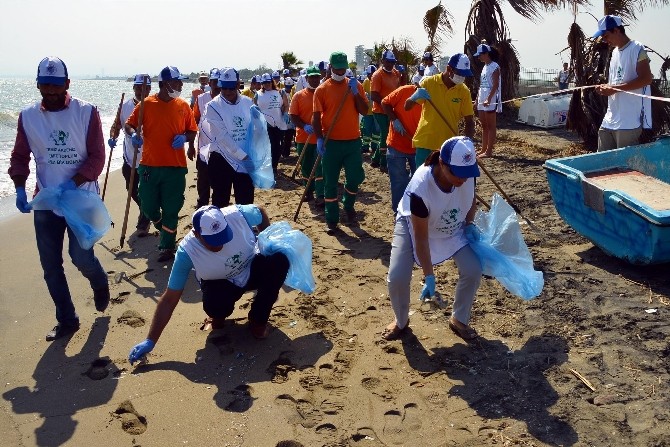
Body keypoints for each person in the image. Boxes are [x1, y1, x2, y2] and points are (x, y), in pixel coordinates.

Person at [8, 56, 110, 341]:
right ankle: (67, 319)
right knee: (50, 265)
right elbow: (19, 156)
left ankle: (99, 281)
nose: (51, 91)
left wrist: (72, 184)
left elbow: (97, 157)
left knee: (80, 257)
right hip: (47, 202)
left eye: (56, 85)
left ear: (67, 83)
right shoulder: (28, 116)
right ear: (38, 84)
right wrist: (19, 186)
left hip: (81, 199)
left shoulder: (86, 112)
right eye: (45, 85)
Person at [128, 204, 290, 364]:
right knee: (215, 305)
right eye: (213, 241)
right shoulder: (187, 252)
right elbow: (170, 298)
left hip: (252, 268)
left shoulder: (237, 214)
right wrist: (150, 340)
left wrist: (266, 239)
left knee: (280, 261)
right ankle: (217, 318)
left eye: (223, 236)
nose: (219, 244)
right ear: (197, 234)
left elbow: (260, 211)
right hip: (222, 284)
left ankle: (258, 320)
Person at [381, 136, 482, 342]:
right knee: (397, 277)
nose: (462, 179)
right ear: (442, 164)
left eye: (467, 174)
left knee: (473, 269)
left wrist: (469, 223)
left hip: (449, 225)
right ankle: (401, 321)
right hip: (415, 226)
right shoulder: (421, 187)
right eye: (458, 174)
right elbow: (421, 238)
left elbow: (471, 198)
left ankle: (459, 319)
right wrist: (429, 276)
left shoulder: (467, 171)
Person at [125, 66, 198, 262]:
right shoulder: (146, 104)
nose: (181, 85)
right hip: (149, 165)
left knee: (172, 208)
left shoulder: (183, 105)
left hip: (175, 167)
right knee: (147, 204)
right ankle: (162, 226)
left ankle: (167, 246)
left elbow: (193, 130)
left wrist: (184, 138)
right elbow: (129, 124)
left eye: (180, 81)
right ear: (165, 84)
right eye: (177, 82)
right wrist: (134, 135)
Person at [313, 51, 369, 234]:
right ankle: (332, 219)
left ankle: (349, 204)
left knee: (354, 177)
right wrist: (319, 138)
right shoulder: (322, 89)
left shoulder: (356, 86)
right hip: (332, 143)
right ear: (330, 67)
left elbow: (365, 110)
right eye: (337, 68)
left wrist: (356, 94)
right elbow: (316, 117)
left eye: (343, 68)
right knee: (330, 182)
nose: (340, 71)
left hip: (353, 141)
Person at [593, 15, 653, 151]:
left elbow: (646, 79)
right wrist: (606, 87)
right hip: (610, 118)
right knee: (603, 162)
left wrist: (614, 89)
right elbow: (616, 81)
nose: (604, 40)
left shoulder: (637, 48)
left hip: (628, 121)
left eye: (606, 35)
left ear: (616, 30)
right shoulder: (614, 52)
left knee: (624, 167)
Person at [405, 53, 475, 166]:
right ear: (449, 69)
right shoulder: (428, 83)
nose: (462, 77)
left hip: (448, 146)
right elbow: (407, 107)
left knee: (443, 182)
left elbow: (470, 121)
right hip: (425, 143)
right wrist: (415, 97)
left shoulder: (463, 91)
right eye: (459, 74)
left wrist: (467, 144)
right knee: (422, 181)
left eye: (464, 75)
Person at [200, 67, 257, 208]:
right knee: (220, 201)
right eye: (224, 88)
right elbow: (222, 137)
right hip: (221, 158)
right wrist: (243, 156)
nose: (227, 92)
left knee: (246, 200)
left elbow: (254, 128)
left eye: (231, 88)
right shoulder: (212, 106)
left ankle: (245, 227)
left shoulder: (248, 102)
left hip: (245, 159)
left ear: (238, 85)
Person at [108, 74, 153, 237]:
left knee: (146, 190)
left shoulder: (154, 105)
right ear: (134, 88)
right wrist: (113, 137)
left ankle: (144, 220)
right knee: (131, 189)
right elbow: (116, 125)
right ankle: (147, 210)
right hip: (129, 155)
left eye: (145, 88)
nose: (141, 91)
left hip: (149, 158)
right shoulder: (125, 106)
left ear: (149, 89)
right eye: (138, 87)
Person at [381, 81, 423, 214]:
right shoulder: (404, 91)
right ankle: (399, 211)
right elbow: (385, 103)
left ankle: (415, 210)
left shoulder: (432, 98)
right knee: (399, 180)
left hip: (418, 145)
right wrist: (394, 119)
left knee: (418, 180)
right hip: (397, 144)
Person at [290, 65, 324, 205]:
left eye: (317, 77)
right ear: (306, 78)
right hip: (303, 138)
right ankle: (308, 191)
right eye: (312, 77)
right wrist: (304, 126)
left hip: (320, 139)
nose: (315, 79)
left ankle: (321, 194)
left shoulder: (323, 94)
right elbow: (293, 116)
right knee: (306, 166)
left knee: (320, 168)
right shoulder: (299, 96)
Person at [192, 68, 222, 208]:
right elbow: (194, 122)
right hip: (204, 148)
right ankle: (202, 205)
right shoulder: (201, 99)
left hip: (223, 150)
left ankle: (218, 207)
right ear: (209, 83)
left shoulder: (228, 99)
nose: (217, 85)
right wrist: (191, 145)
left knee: (220, 183)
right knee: (203, 181)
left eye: (219, 82)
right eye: (214, 82)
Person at [370, 50, 401, 172]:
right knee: (385, 135)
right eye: (388, 62)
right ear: (382, 61)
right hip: (380, 110)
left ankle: (375, 159)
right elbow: (374, 96)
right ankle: (384, 163)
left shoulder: (396, 73)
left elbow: (399, 89)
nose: (390, 64)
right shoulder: (377, 75)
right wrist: (386, 104)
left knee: (387, 134)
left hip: (391, 109)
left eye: (392, 62)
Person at [254, 73, 288, 172]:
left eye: (268, 82)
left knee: (278, 146)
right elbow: (254, 108)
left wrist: (286, 113)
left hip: (279, 123)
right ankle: (270, 167)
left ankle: (275, 165)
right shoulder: (258, 94)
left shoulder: (280, 92)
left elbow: (286, 105)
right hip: (265, 125)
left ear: (271, 82)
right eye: (264, 83)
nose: (266, 84)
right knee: (270, 145)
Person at [474, 44, 501, 158]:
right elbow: (482, 85)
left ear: (486, 54)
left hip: (490, 100)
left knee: (491, 126)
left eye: (480, 55)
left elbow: (495, 84)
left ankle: (489, 151)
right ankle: (483, 149)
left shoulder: (495, 66)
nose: (479, 57)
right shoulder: (484, 67)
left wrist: (489, 98)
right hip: (482, 98)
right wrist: (477, 99)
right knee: (484, 125)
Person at [360, 65, 380, 154]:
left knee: (376, 131)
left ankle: (374, 147)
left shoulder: (378, 81)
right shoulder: (366, 82)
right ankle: (365, 146)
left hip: (376, 111)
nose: (370, 76)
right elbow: (362, 93)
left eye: (371, 74)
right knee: (366, 130)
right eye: (368, 74)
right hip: (368, 112)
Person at [281, 76, 296, 157]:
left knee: (289, 137)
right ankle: (283, 153)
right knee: (284, 138)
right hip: (283, 118)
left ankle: (286, 153)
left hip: (290, 119)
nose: (289, 88)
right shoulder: (281, 93)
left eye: (290, 87)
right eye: (287, 87)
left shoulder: (292, 93)